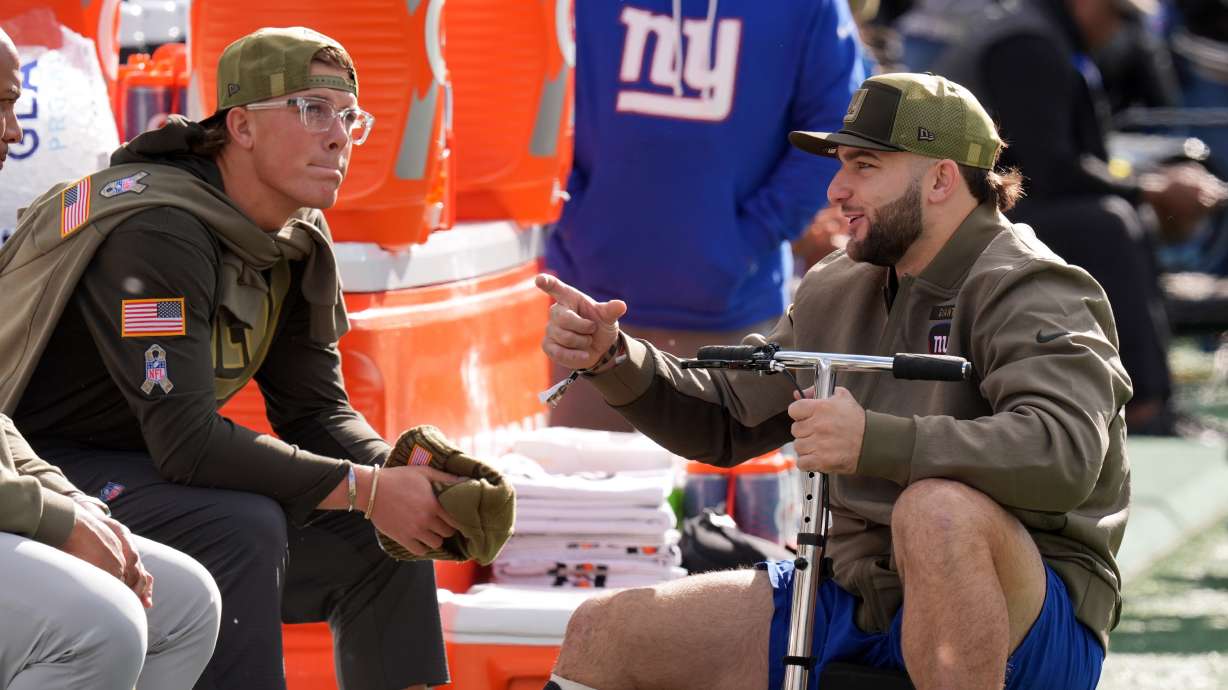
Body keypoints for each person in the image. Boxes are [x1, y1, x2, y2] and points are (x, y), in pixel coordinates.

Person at [536, 73, 1130, 689]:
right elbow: (724, 417)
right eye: (841, 163)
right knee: (604, 632)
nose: (837, 189)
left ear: (941, 178)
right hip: (853, 591)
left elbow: (1064, 452)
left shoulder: (1035, 286)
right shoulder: (840, 281)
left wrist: (875, 440)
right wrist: (612, 357)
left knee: (936, 512)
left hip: (1024, 613)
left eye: (865, 165)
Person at [0, 27, 461, 690]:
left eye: (349, 117)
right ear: (240, 126)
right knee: (240, 525)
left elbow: (316, 410)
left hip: (157, 470)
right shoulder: (158, 227)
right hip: (48, 466)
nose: (337, 136)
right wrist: (367, 489)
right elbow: (187, 442)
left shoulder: (293, 232)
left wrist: (411, 479)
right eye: (311, 111)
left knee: (383, 536)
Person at [0, 27, 220, 690]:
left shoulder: (296, 245)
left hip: (38, 478)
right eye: (1, 105)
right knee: (105, 622)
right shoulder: (158, 237)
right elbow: (185, 435)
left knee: (187, 600)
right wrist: (58, 518)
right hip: (77, 468)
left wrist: (70, 502)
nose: (14, 132)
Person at [544, 0, 866, 431]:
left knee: (727, 495)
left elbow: (833, 129)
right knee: (586, 494)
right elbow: (527, 99)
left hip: (737, 324)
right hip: (591, 316)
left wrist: (749, 239)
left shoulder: (809, 7)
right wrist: (576, 220)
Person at [933, 0, 1227, 435]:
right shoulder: (1029, 44)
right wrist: (1150, 188)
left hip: (987, 206)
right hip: (963, 218)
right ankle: (1143, 407)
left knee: (1119, 217)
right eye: (1117, 15)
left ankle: (1149, 397)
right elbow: (1045, 169)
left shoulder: (1043, 36)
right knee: (1109, 224)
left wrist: (1145, 187)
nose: (1121, 32)